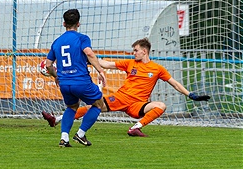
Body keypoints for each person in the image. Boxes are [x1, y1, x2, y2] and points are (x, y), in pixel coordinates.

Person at [43, 37, 210, 137]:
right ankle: (56, 120)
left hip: (138, 105)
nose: (133, 53)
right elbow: (106, 63)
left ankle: (135, 128)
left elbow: (174, 83)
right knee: (94, 106)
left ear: (144, 51)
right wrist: (87, 59)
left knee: (161, 106)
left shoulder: (157, 69)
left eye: (136, 50)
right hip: (122, 98)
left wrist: (190, 95)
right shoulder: (129, 63)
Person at [45, 9, 106, 147]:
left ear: (63, 23)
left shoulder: (57, 41)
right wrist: (100, 71)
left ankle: (64, 138)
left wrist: (56, 76)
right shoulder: (82, 38)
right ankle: (80, 134)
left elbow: (48, 65)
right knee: (98, 104)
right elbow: (89, 53)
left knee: (72, 107)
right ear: (78, 24)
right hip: (81, 81)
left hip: (65, 83)